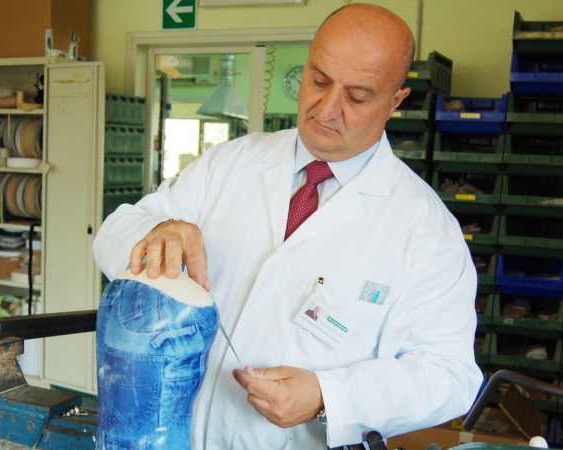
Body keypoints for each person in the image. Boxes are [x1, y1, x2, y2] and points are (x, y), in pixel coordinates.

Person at [93, 3, 482, 448]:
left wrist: (329, 396)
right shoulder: (230, 163)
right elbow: (114, 232)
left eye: (357, 97)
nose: (328, 109)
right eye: (319, 81)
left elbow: (449, 375)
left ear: (394, 102)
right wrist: (158, 232)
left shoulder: (424, 229)